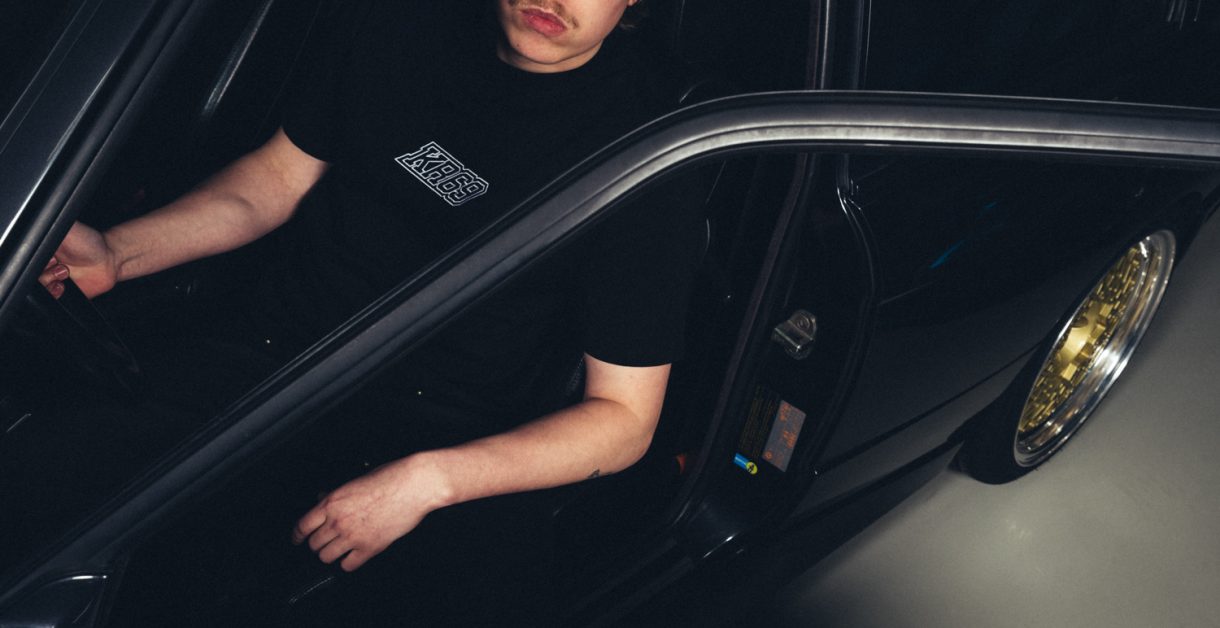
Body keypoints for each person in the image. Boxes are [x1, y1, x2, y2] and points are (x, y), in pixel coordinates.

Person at [41, 0, 704, 622]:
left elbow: (624, 422)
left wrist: (429, 481)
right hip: (270, 360)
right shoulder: (402, 27)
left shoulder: (644, 151)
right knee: (53, 501)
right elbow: (273, 181)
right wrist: (119, 254)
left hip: (450, 434)